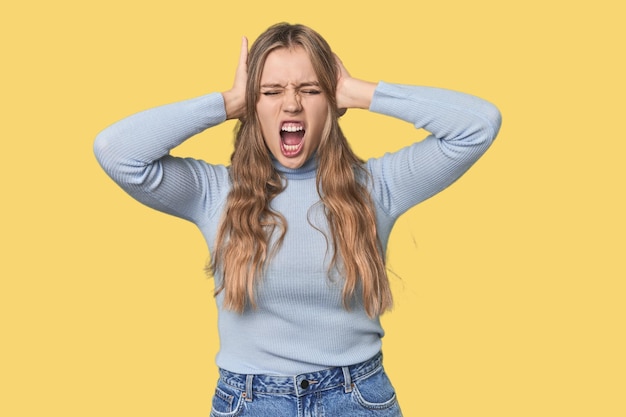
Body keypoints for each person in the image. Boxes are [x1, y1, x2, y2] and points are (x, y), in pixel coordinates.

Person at [94, 22, 501, 417]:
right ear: (253, 106)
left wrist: (357, 92)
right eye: (270, 91)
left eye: (310, 89)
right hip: (251, 402)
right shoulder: (216, 192)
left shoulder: (379, 186)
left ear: (331, 102)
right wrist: (228, 102)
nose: (291, 104)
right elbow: (116, 151)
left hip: (358, 398)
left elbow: (478, 125)